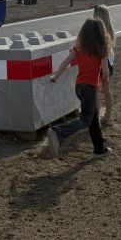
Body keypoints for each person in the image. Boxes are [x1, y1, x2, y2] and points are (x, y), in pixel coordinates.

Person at [47, 17, 112, 158]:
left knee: (93, 118)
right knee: (85, 120)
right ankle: (58, 132)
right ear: (101, 33)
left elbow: (66, 61)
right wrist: (105, 80)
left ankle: (99, 149)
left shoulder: (79, 47)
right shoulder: (101, 50)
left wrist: (55, 76)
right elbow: (106, 72)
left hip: (80, 87)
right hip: (90, 88)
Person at [93, 4, 116, 126]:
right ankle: (108, 116)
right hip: (109, 62)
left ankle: (97, 117)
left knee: (96, 91)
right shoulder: (110, 30)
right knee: (106, 90)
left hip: (101, 62)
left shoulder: (98, 30)